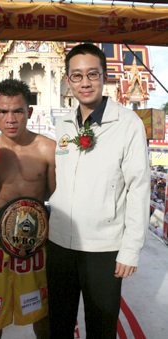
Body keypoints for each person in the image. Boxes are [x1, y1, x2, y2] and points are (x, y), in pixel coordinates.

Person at [46, 43, 150, 339]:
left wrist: (130, 250)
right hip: (60, 245)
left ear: (104, 77)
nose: (85, 83)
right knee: (59, 323)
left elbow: (139, 188)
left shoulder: (127, 124)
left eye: (92, 74)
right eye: (77, 76)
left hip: (103, 248)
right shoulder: (63, 124)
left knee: (101, 327)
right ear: (68, 81)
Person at [0, 79, 56, 339]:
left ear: (29, 111)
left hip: (37, 245)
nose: (10, 119)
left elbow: (59, 199)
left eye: (17, 110)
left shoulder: (48, 149)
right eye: (3, 111)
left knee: (43, 314)